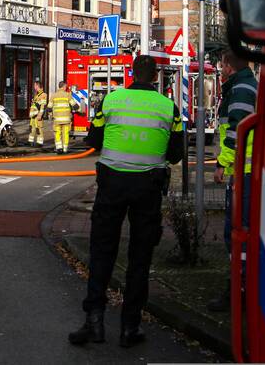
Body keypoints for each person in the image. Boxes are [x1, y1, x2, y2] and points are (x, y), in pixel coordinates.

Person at [69, 55, 184, 348]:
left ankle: (94, 322)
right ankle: (129, 328)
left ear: (132, 73)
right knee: (140, 257)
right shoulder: (169, 108)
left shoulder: (111, 100)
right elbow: (176, 154)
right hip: (148, 188)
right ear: (156, 77)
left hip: (112, 186)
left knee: (101, 252)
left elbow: (93, 138)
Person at [206, 49, 257, 312]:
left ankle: (240, 289)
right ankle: (240, 285)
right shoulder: (242, 87)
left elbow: (237, 130)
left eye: (222, 63)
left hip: (243, 173)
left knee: (237, 234)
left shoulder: (241, 91)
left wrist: (222, 164)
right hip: (243, 172)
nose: (220, 67)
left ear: (229, 65)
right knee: (238, 233)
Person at [48, 80, 78, 153]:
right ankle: (65, 149)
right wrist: (81, 110)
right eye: (66, 87)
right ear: (64, 86)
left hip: (57, 120)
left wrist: (51, 115)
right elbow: (75, 106)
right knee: (65, 134)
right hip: (66, 119)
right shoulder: (67, 95)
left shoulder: (53, 95)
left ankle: (59, 148)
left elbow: (49, 108)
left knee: (57, 133)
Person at [29, 80, 47, 148]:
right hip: (33, 116)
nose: (34, 87)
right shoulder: (36, 95)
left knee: (39, 129)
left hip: (37, 115)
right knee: (32, 129)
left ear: (37, 86)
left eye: (35, 85)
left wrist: (40, 115)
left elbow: (43, 106)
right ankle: (30, 141)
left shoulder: (43, 95)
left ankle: (39, 143)